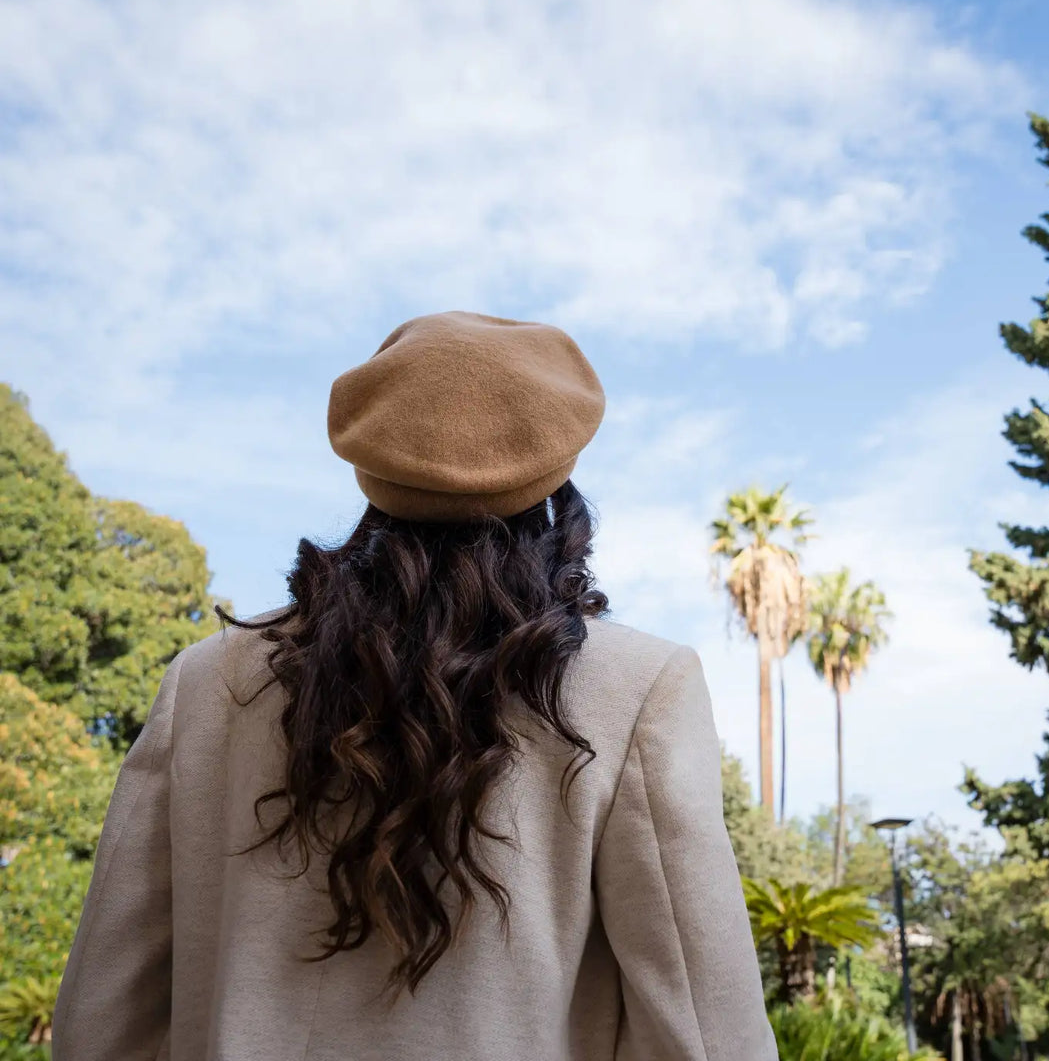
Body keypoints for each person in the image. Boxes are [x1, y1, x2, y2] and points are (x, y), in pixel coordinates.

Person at [52, 311, 778, 1060]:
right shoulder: (640, 689)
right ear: (558, 479)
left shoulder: (206, 681)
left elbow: (100, 1021)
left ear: (371, 465)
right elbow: (705, 1028)